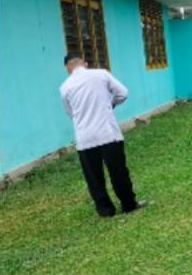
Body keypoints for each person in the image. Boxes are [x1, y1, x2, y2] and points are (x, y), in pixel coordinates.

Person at [60, 55, 146, 217]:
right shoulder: (101, 74)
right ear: (85, 64)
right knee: (118, 171)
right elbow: (123, 93)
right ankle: (129, 204)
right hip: (108, 134)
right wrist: (110, 104)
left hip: (85, 138)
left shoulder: (65, 87)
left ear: (67, 68)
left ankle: (105, 210)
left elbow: (70, 112)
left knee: (94, 178)